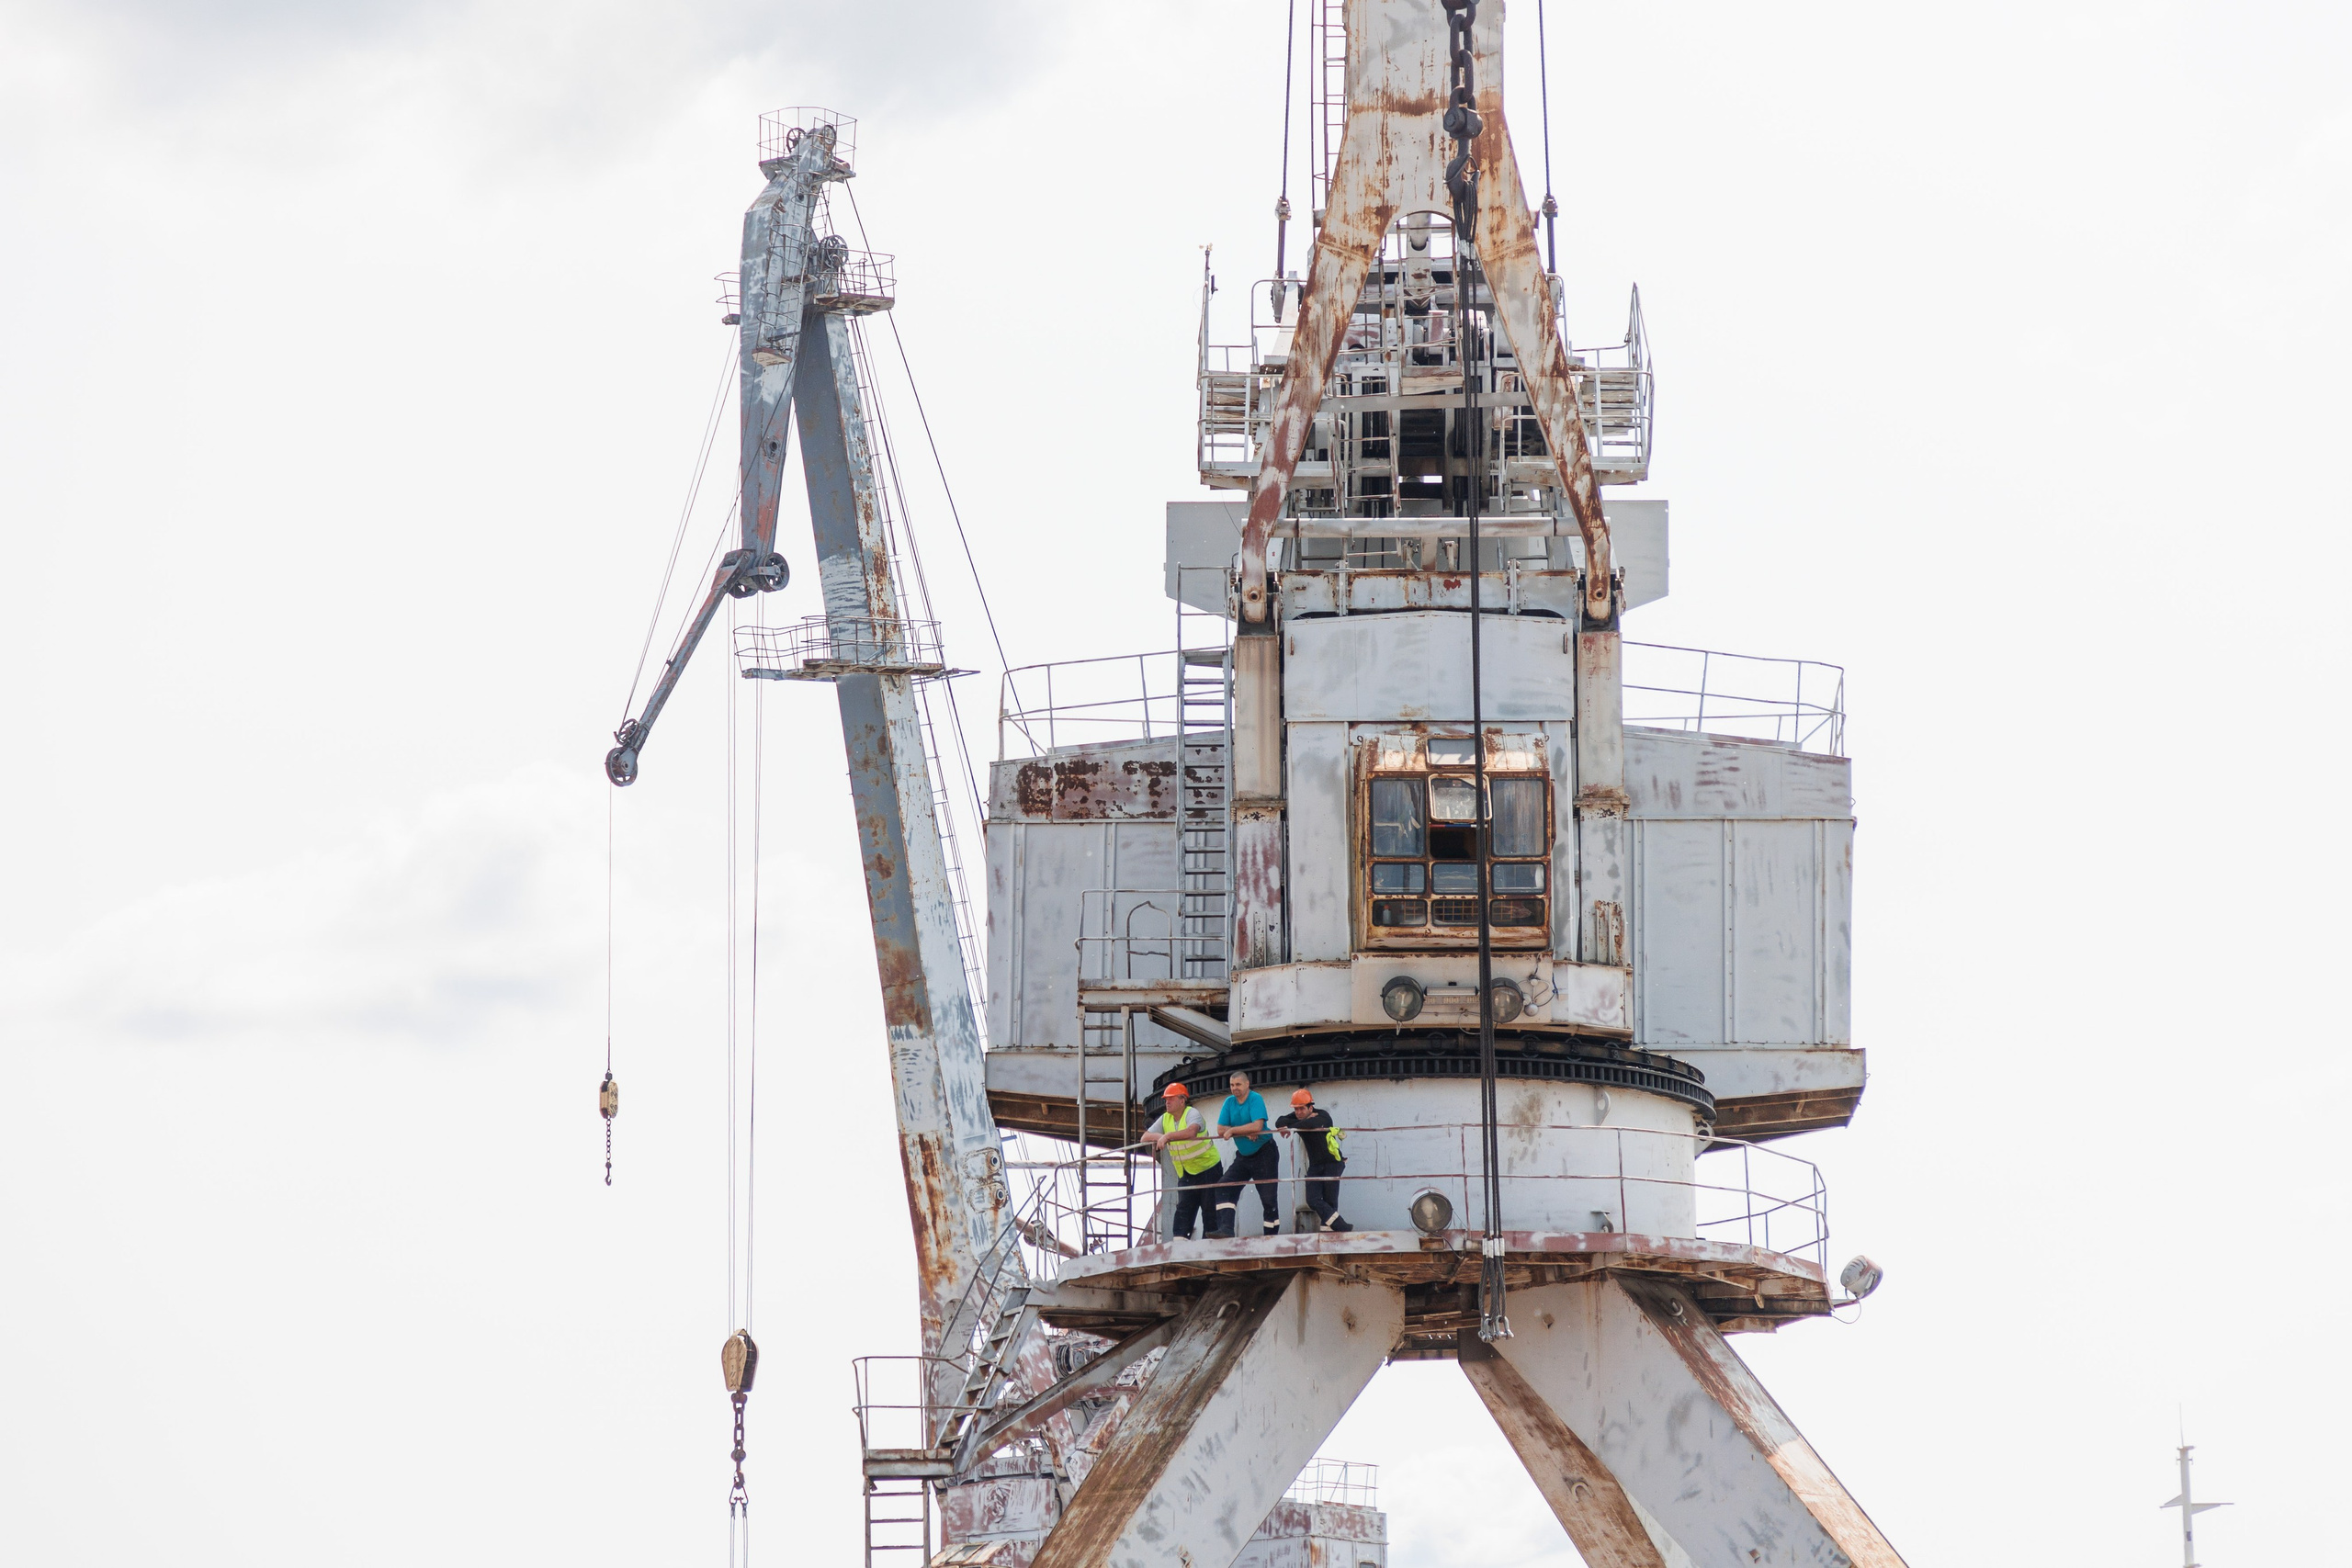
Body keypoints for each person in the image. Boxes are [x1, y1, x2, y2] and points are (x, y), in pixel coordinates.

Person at [1138, 1083, 1221, 1240]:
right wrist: (1161, 1137)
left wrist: (1167, 1136)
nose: (1166, 1103)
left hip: (1209, 1169)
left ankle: (1210, 1248)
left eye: (1170, 1099)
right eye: (1166, 1099)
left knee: (1210, 1211)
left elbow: (1191, 1132)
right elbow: (1145, 1137)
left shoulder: (1192, 1113)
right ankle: (1180, 1243)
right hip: (1187, 1172)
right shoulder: (1165, 1119)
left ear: (1182, 1100)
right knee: (1184, 1210)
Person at [1208, 1070, 1280, 1238]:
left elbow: (1257, 1126)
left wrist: (1233, 1130)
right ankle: (1226, 1229)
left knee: (1268, 1198)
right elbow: (1220, 1129)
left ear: (1247, 1084)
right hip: (1243, 1156)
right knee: (1224, 1186)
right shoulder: (1229, 1102)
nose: (1235, 1088)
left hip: (1265, 1152)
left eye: (1238, 1084)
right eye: (1232, 1085)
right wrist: (1245, 1130)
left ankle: (1271, 1236)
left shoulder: (1255, 1098)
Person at [1275, 1088, 1353, 1233]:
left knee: (1330, 1201)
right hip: (1316, 1165)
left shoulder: (1323, 1116)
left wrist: (1291, 1127)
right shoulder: (1299, 1117)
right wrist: (1292, 1125)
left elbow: (1311, 1124)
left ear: (1311, 1107)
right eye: (1296, 1109)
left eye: (1302, 1109)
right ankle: (1342, 1227)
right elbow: (1279, 1121)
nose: (1298, 1113)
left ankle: (1328, 1234)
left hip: (1333, 1163)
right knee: (1312, 1199)